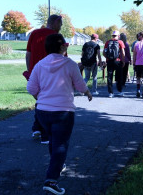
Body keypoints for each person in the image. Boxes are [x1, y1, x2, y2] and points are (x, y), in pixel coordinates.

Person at [27, 33, 92, 195]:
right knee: (60, 145)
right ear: (62, 47)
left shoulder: (40, 65)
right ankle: (51, 180)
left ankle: (57, 164)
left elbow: (31, 88)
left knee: (53, 140)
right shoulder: (70, 64)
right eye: (65, 45)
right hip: (63, 112)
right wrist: (88, 93)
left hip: (43, 112)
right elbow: (80, 84)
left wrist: (40, 98)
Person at [25, 14, 63, 144]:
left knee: (41, 99)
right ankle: (45, 134)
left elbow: (28, 54)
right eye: (60, 23)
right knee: (48, 102)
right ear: (55, 22)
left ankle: (37, 128)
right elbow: (62, 57)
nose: (61, 26)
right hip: (52, 74)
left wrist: (30, 71)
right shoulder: (57, 37)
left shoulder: (34, 34)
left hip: (35, 73)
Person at [103, 30, 125, 98]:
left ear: (112, 35)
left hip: (109, 61)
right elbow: (123, 53)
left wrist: (108, 58)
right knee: (119, 77)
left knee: (109, 77)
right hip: (117, 61)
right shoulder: (120, 42)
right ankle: (120, 91)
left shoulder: (107, 42)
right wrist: (123, 61)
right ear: (118, 36)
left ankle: (110, 93)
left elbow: (103, 53)